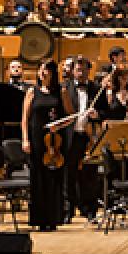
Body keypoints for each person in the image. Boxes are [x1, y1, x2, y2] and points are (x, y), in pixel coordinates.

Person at [23, 59, 68, 232]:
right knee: (38, 179)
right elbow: (24, 119)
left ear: (53, 73)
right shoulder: (31, 91)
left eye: (46, 70)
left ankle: (54, 219)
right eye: (41, 69)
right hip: (36, 140)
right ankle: (39, 219)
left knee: (54, 179)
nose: (43, 73)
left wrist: (59, 125)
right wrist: (25, 139)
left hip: (55, 142)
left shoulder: (61, 91)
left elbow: (71, 115)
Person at [63, 58, 101, 221]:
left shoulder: (96, 88)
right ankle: (68, 211)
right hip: (70, 136)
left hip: (89, 137)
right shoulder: (65, 88)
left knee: (90, 175)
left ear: (89, 71)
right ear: (72, 71)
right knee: (69, 175)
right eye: (78, 70)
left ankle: (89, 210)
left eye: (84, 70)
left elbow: (105, 111)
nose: (81, 73)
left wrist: (97, 115)